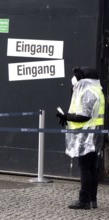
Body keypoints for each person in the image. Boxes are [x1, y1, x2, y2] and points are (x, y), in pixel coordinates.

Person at [56, 66, 105, 210]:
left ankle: (84, 200)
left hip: (87, 134)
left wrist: (66, 116)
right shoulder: (96, 90)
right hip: (93, 133)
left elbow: (84, 115)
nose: (73, 79)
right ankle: (92, 200)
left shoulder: (88, 91)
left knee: (85, 167)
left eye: (77, 77)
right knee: (91, 167)